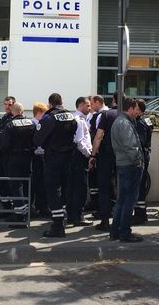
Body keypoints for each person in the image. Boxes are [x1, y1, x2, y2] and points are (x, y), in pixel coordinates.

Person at [34, 93, 78, 238]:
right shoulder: (71, 116)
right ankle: (64, 218)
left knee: (53, 190)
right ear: (61, 102)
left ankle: (57, 226)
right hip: (69, 158)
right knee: (66, 188)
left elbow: (38, 139)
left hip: (53, 158)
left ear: (50, 104)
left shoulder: (48, 117)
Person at [108, 97, 144, 243]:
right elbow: (131, 145)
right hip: (130, 165)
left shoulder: (119, 121)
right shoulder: (124, 123)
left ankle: (115, 231)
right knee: (129, 200)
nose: (137, 112)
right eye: (136, 109)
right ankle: (124, 232)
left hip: (123, 164)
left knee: (122, 200)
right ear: (130, 108)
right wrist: (137, 161)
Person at [0, 102, 35, 227]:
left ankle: (19, 215)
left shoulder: (10, 124)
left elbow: (3, 143)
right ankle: (27, 211)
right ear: (22, 111)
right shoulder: (31, 123)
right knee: (26, 184)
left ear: (12, 112)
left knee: (16, 185)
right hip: (28, 157)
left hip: (13, 158)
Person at [89, 92, 119, 232]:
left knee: (104, 187)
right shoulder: (128, 115)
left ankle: (105, 220)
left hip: (107, 155)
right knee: (122, 188)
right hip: (123, 156)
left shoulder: (106, 115)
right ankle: (121, 221)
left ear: (113, 100)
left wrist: (93, 155)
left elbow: (98, 137)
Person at [67, 96, 93, 226]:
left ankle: (72, 215)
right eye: (88, 105)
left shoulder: (73, 117)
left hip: (72, 158)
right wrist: (90, 154)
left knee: (72, 187)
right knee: (81, 188)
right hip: (80, 157)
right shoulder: (80, 120)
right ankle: (78, 217)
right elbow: (80, 141)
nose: (90, 108)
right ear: (81, 105)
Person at [0, 96, 16, 216]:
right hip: (1, 155)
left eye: (9, 104)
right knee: (2, 183)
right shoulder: (3, 119)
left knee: (11, 183)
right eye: (5, 104)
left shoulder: (16, 119)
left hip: (11, 156)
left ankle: (13, 209)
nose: (7, 107)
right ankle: (6, 208)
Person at [86, 95, 109, 213]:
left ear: (98, 102)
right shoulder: (103, 114)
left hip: (101, 152)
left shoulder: (102, 115)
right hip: (106, 152)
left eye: (92, 103)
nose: (91, 106)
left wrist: (93, 154)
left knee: (100, 180)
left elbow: (98, 135)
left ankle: (101, 208)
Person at [131, 99, 153, 225]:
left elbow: (140, 141)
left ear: (139, 111)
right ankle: (141, 212)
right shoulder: (146, 121)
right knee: (141, 184)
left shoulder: (139, 123)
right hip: (145, 154)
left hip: (141, 155)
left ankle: (140, 214)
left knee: (139, 185)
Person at [31, 102, 50, 218]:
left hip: (41, 157)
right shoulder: (33, 124)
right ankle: (37, 207)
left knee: (42, 183)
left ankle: (41, 206)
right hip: (35, 158)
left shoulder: (39, 123)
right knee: (36, 183)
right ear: (39, 113)